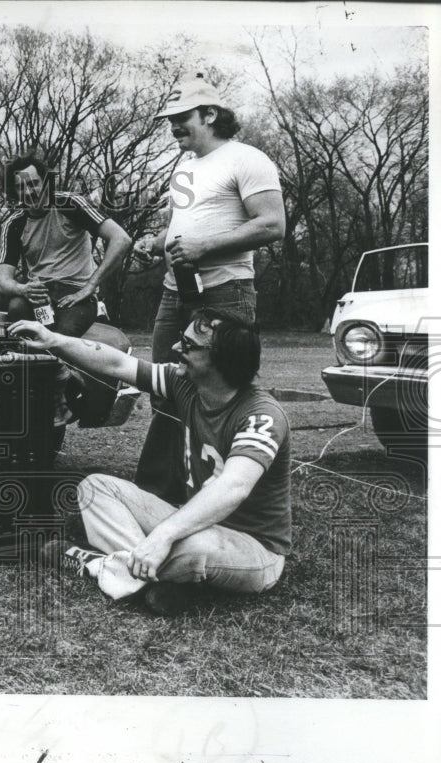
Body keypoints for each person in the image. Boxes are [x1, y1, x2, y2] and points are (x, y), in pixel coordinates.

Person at [9, 308, 291, 617]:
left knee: (195, 548)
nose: (175, 348)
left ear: (221, 360)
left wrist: (162, 536)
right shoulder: (185, 383)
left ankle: (93, 563)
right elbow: (117, 362)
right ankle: (152, 577)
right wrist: (54, 339)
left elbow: (233, 487)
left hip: (253, 547)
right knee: (94, 487)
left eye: (188, 345)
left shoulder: (262, 415)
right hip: (191, 520)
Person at [135, 73, 285, 504]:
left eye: (182, 118)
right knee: (166, 387)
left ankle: (228, 492)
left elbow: (273, 224)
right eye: (170, 120)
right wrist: (156, 242)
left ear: (211, 114)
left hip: (226, 292)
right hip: (175, 291)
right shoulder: (184, 166)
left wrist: (204, 247)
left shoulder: (247, 158)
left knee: (223, 393)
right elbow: (183, 226)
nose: (173, 127)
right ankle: (155, 492)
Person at [0, 153, 132, 423]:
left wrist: (91, 284)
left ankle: (61, 402)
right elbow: (4, 282)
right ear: (15, 191)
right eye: (22, 187)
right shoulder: (15, 223)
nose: (30, 192)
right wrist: (23, 289)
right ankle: (38, 401)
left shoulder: (70, 203)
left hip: (76, 295)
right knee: (15, 316)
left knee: (60, 339)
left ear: (46, 182)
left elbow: (121, 238)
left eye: (34, 184)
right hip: (40, 298)